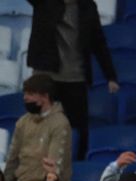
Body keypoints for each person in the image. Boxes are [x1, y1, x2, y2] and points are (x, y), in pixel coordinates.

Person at [28, 0, 120, 159]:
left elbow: (98, 41)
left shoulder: (87, 6)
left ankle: (76, 165)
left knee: (78, 130)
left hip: (76, 77)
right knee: (41, 127)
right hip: (46, 76)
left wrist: (110, 76)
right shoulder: (44, 2)